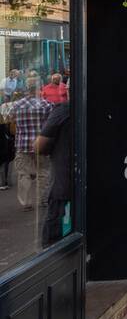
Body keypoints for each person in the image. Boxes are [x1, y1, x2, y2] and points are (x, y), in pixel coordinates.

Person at [10, 75, 51, 212]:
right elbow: (51, 124)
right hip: (41, 143)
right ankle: (42, 200)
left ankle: (26, 202)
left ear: (26, 89)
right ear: (39, 88)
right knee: (43, 172)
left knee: (23, 174)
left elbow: (10, 118)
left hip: (23, 144)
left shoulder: (17, 105)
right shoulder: (46, 104)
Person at [35, 98, 71, 247]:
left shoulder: (64, 110)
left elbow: (40, 146)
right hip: (83, 189)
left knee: (54, 245)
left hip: (63, 189)